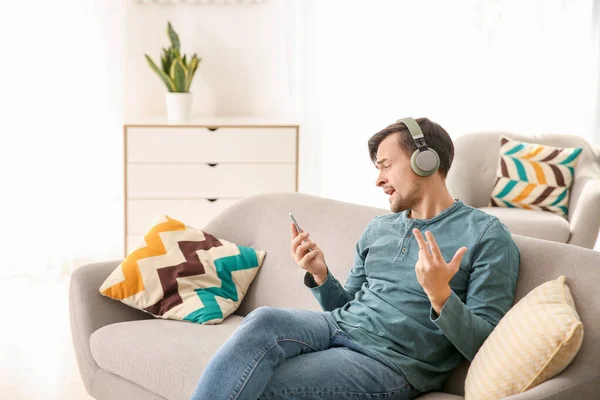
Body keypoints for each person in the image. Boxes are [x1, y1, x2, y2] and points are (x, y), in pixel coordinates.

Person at [190, 117, 520, 400]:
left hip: (390, 363)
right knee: (263, 321)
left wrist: (440, 296)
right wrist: (320, 276)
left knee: (256, 381)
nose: (378, 180)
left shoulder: (486, 235)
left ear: (426, 160)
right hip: (338, 327)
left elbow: (485, 345)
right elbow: (344, 305)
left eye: (386, 166)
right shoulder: (379, 227)